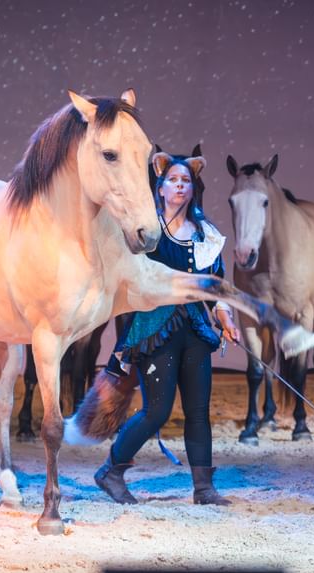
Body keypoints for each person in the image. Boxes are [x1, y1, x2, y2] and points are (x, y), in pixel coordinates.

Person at [93, 146, 242, 506]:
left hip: (193, 328)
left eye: (185, 181)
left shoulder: (205, 234)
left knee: (198, 410)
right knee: (157, 411)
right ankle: (110, 471)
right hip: (154, 329)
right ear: (159, 188)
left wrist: (226, 320)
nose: (179, 186)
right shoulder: (146, 229)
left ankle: (203, 488)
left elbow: (216, 287)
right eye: (172, 180)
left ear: (193, 189)